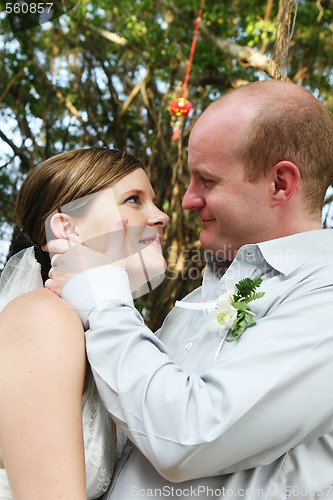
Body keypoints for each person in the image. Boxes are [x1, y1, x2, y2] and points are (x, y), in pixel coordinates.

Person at [47, 80, 333, 499]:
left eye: (206, 180)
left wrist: (105, 301)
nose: (184, 200)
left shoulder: (323, 291)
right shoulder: (199, 299)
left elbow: (190, 438)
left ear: (280, 184)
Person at [0, 147, 169, 500]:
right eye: (133, 200)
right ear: (67, 227)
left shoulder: (104, 333)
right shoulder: (43, 319)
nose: (161, 216)